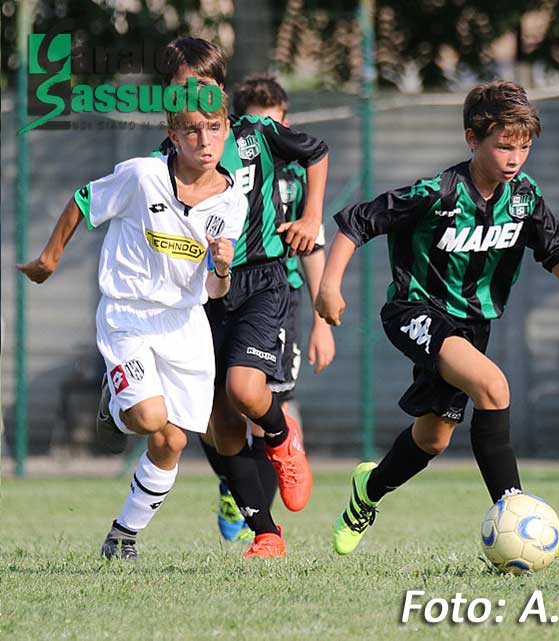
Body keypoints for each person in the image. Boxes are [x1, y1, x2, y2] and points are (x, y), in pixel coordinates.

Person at [315, 80, 559, 557]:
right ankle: (520, 518)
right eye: (504, 146)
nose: (515, 158)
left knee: (432, 438)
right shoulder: (436, 193)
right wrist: (329, 284)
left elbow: (556, 247)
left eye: (524, 147)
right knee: (493, 386)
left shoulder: (524, 196)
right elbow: (356, 221)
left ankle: (368, 490)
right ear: (473, 140)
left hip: (472, 325)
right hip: (415, 310)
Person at [93, 37, 329, 557]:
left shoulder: (253, 134)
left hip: (263, 280)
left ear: (221, 89)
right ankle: (266, 533)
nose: (191, 98)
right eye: (179, 91)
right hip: (204, 293)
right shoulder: (163, 159)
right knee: (218, 426)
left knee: (246, 392)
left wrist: (312, 218)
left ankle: (282, 439)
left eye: (201, 88)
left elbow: (316, 154)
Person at [18, 86, 245, 560]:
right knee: (147, 418)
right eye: (191, 130)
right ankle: (116, 402)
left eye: (214, 128)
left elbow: (215, 292)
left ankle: (123, 534)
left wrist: (221, 266)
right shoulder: (143, 176)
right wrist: (49, 258)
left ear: (226, 130)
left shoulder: (232, 203)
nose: (204, 140)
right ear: (173, 136)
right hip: (128, 315)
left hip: (184, 324)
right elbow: (84, 199)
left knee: (174, 439)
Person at [212, 75, 336, 544]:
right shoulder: (205, 155)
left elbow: (312, 243)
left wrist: (323, 322)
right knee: (215, 418)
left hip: (276, 290)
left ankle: (262, 521)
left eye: (278, 123)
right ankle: (234, 485)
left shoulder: (293, 173)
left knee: (256, 397)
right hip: (213, 290)